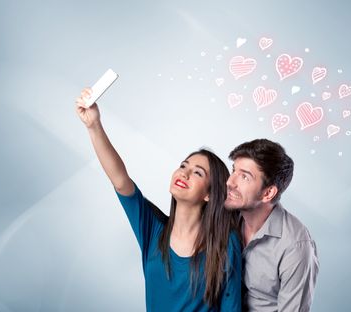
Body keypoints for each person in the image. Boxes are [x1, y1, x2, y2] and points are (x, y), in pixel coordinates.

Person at [75, 88, 241, 311]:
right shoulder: (152, 229)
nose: (184, 173)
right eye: (183, 166)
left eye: (198, 173)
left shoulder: (225, 244)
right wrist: (93, 125)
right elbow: (121, 181)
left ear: (209, 194)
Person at [224, 139, 319, 312]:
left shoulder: (295, 245)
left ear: (268, 193)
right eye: (233, 171)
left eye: (244, 176)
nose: (230, 182)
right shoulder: (226, 219)